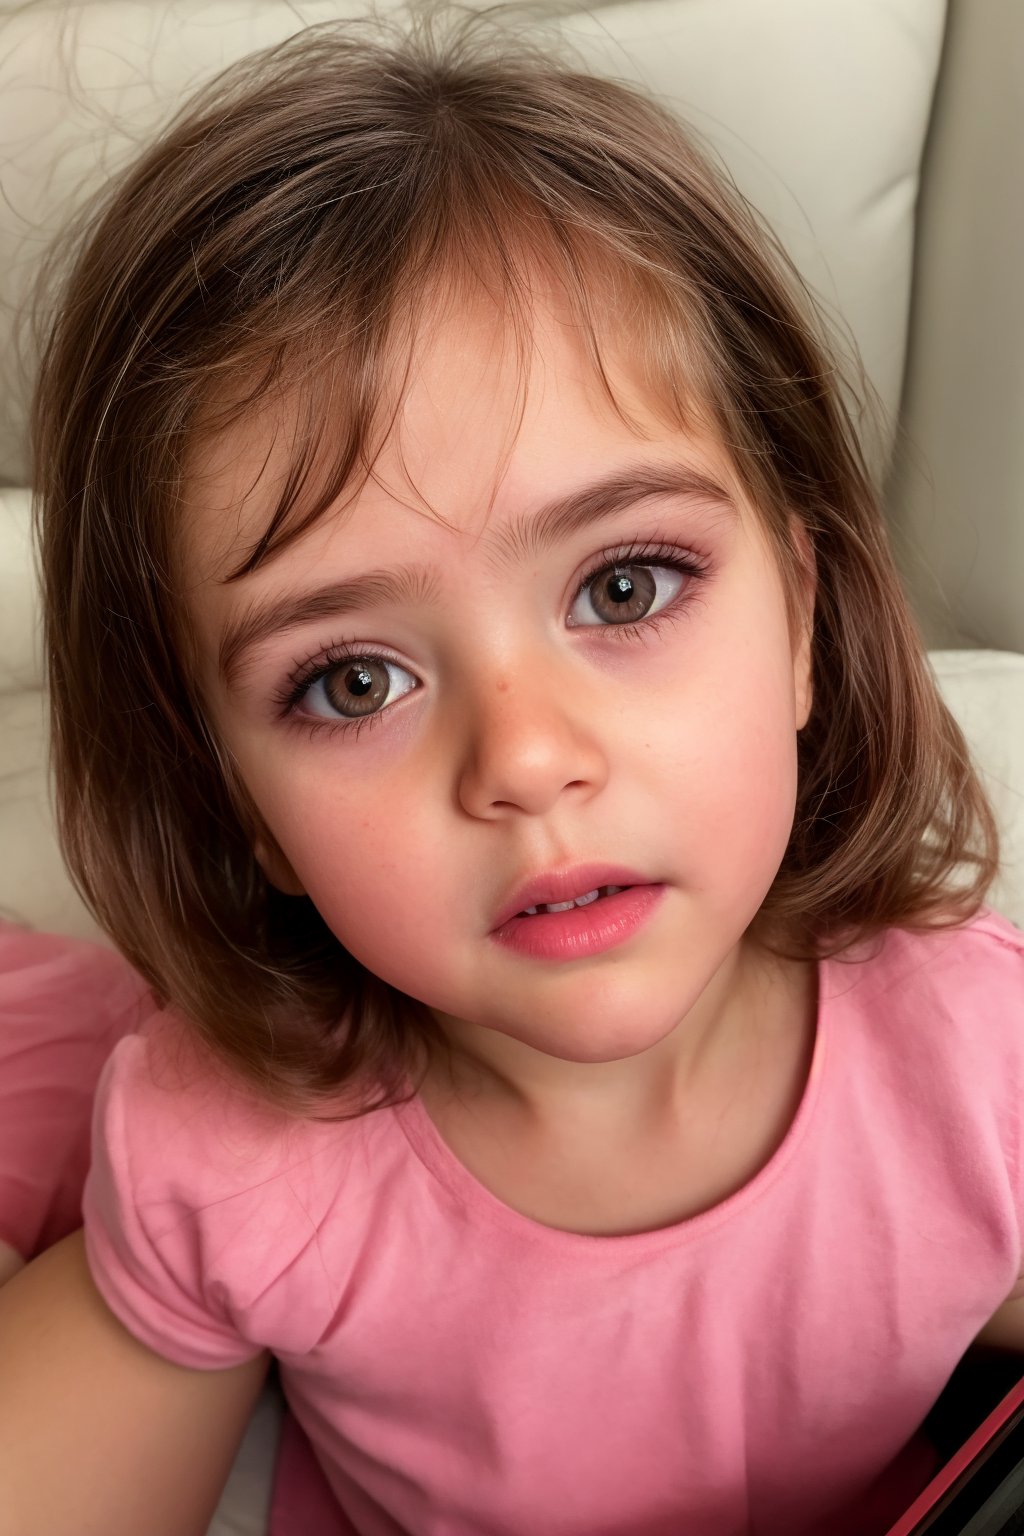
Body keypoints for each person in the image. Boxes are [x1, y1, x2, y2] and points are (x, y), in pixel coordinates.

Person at [1, 6, 1022, 1533]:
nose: (529, 761)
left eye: (625, 588)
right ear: (235, 803)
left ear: (804, 619)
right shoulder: (234, 1160)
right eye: (354, 681)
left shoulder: (981, 1064)